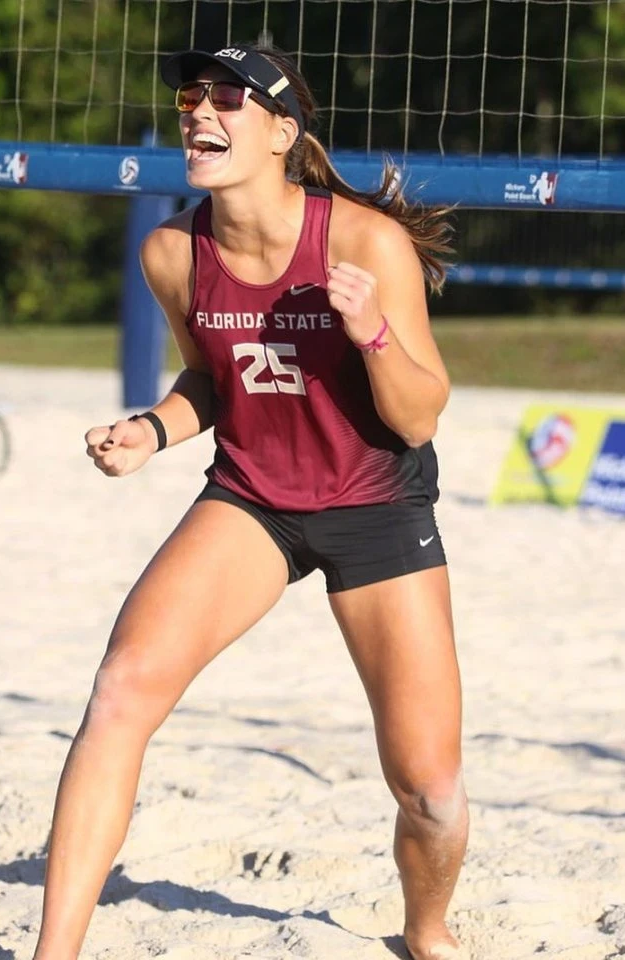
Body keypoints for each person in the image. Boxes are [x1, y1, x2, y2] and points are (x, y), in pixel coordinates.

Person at [32, 43, 468, 960]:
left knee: (429, 789)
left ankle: (427, 933)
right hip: (254, 496)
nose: (201, 110)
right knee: (119, 693)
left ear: (282, 134)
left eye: (231, 97)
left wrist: (374, 332)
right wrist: (152, 432)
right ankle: (53, 953)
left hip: (375, 501)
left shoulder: (361, 243)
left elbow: (421, 416)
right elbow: (212, 377)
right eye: (193, 94)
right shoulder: (171, 251)